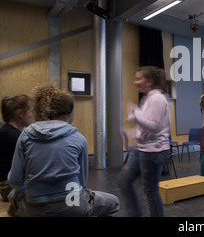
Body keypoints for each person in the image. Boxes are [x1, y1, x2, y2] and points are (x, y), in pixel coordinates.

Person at [8, 84, 120, 217]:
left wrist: (26, 194)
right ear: (70, 113)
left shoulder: (26, 135)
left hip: (33, 207)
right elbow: (81, 182)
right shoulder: (79, 139)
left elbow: (14, 179)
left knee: (12, 196)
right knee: (113, 203)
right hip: (71, 205)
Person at [118, 66, 171, 217]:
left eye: (138, 78)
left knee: (150, 191)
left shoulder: (157, 99)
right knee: (123, 181)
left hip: (153, 151)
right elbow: (145, 126)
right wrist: (134, 131)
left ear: (149, 81)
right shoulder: (148, 99)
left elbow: (154, 127)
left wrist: (135, 115)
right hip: (143, 149)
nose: (135, 82)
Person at [0, 95, 34, 201]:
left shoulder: (10, 131)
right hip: (7, 187)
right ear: (20, 113)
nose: (33, 114)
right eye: (31, 111)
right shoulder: (13, 136)